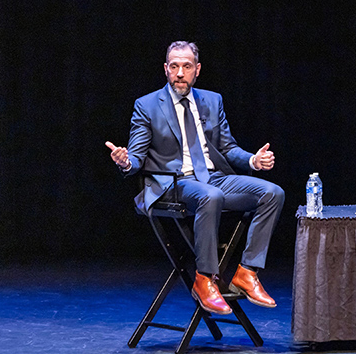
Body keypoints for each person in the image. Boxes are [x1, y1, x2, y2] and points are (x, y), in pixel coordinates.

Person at [106, 41, 285, 315]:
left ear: (197, 70)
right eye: (174, 66)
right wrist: (126, 160)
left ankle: (247, 272)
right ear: (166, 69)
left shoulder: (212, 101)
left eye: (186, 66)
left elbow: (227, 148)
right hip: (171, 183)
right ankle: (204, 278)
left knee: (272, 193)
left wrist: (252, 160)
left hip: (211, 177)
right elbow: (137, 157)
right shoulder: (147, 105)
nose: (180, 73)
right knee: (210, 196)